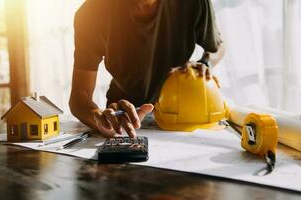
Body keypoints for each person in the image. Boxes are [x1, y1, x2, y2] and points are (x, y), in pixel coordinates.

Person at [69, 0, 225, 138]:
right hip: (125, 119)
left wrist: (205, 62)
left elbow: (217, 47)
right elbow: (79, 96)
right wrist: (99, 119)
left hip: (179, 115)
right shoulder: (91, 13)